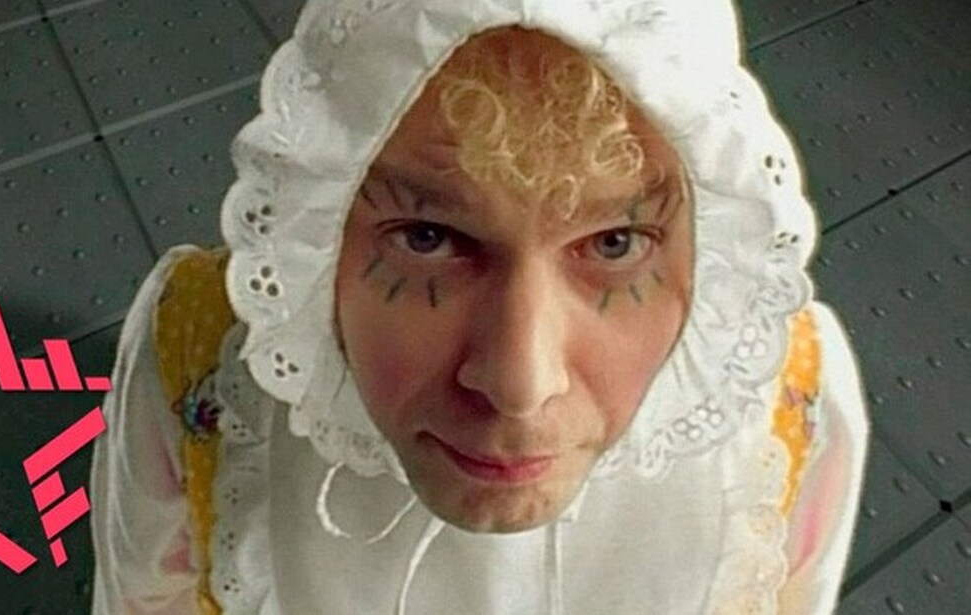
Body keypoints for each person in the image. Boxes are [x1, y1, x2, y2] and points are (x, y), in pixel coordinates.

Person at [90, 1, 869, 613]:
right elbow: (144, 592)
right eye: (426, 236)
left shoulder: (789, 410)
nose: (520, 383)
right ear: (316, 227)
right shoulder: (197, 357)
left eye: (615, 243)